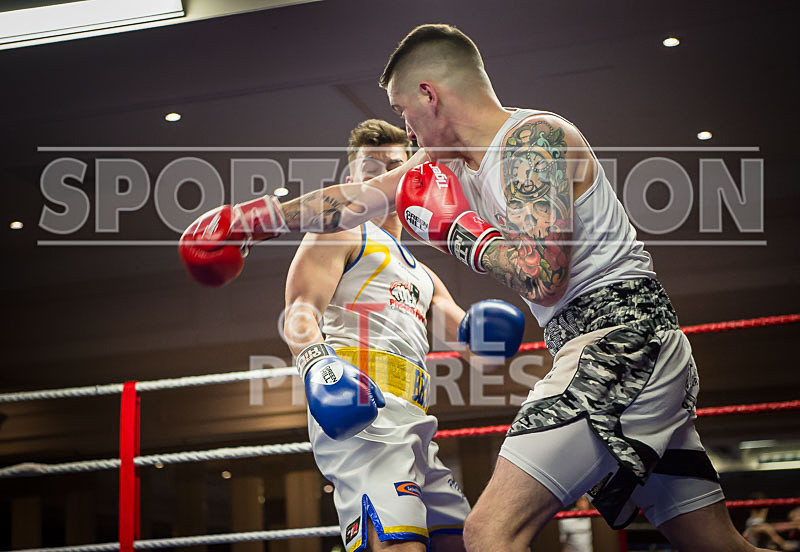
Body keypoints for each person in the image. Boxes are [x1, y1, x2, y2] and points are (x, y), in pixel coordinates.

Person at [177, 24, 769, 552]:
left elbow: (542, 275)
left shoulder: (532, 141)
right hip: (615, 350)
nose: (407, 128)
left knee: (488, 534)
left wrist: (458, 231)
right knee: (717, 545)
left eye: (404, 111)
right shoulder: (449, 165)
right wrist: (249, 221)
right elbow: (350, 202)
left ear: (429, 95)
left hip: (620, 344)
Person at [282, 119, 525, 552]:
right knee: (399, 545)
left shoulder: (424, 274)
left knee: (463, 542)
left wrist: (489, 336)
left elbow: (476, 351)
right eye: (370, 168)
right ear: (351, 179)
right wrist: (318, 367)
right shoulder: (340, 231)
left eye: (394, 165)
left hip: (416, 423)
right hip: (362, 415)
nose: (383, 176)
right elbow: (299, 312)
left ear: (412, 174)